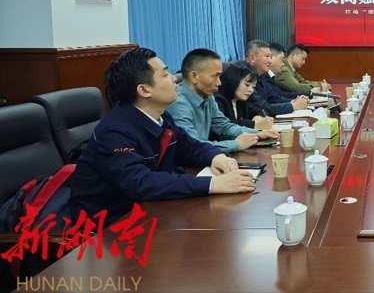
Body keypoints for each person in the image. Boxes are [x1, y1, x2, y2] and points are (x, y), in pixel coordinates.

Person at [69, 48, 256, 224]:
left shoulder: (161, 117)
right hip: (109, 223)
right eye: (165, 75)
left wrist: (216, 156)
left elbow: (189, 146)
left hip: (149, 209)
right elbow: (141, 183)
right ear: (144, 90)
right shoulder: (115, 131)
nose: (175, 79)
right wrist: (213, 184)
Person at [167, 48, 277, 153]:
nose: (219, 82)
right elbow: (193, 147)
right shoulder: (179, 104)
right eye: (215, 76)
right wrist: (235, 144)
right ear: (194, 76)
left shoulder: (207, 97)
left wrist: (257, 134)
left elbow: (224, 127)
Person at [244, 40, 309, 116]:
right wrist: (293, 106)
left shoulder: (261, 76)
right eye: (267, 56)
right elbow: (263, 107)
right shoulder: (244, 77)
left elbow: (274, 98)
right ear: (252, 58)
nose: (270, 61)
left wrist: (294, 102)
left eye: (271, 57)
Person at [213, 61, 274, 133]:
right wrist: (254, 124)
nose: (250, 90)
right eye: (247, 85)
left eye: (253, 87)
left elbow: (260, 111)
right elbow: (226, 125)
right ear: (233, 80)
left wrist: (258, 117)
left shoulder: (240, 101)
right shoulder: (217, 100)